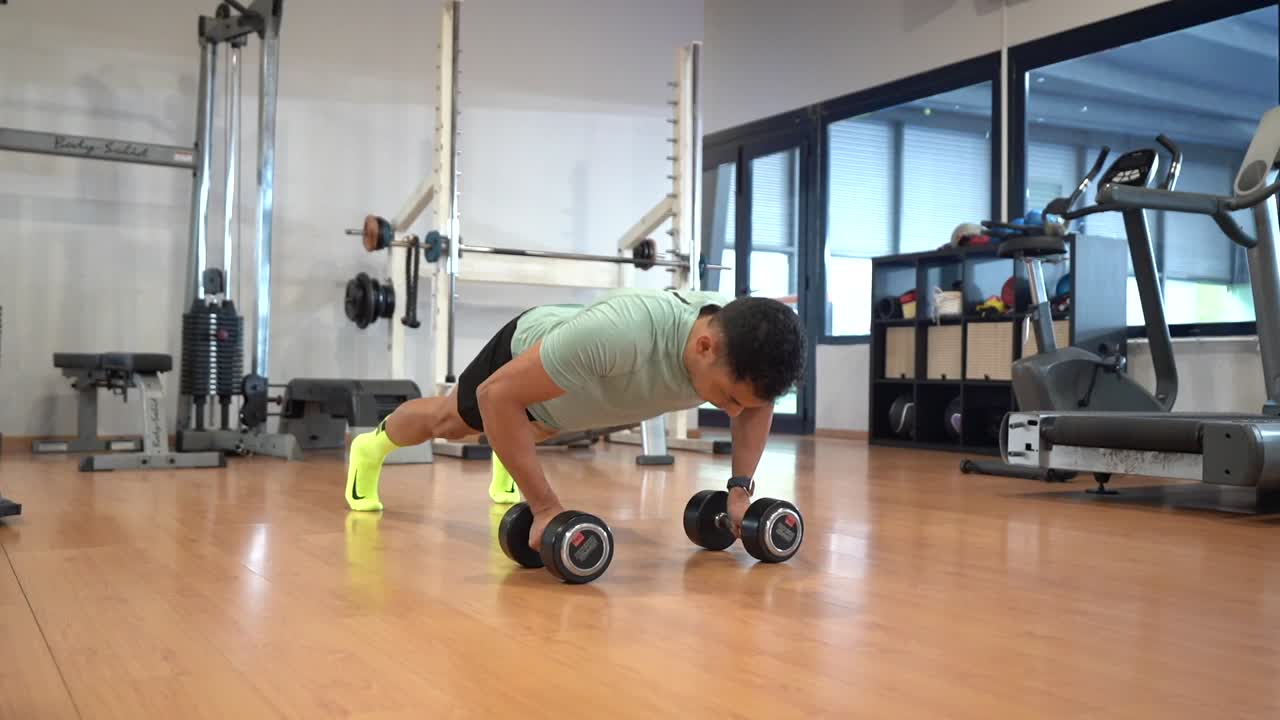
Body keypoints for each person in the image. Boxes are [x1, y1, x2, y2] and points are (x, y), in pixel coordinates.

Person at [344, 287, 806, 551]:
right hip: (528, 353)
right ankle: (371, 447)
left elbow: (755, 404)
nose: (733, 412)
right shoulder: (623, 334)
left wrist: (740, 490)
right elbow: (495, 395)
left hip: (587, 394)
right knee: (455, 423)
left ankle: (513, 454)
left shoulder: (740, 345)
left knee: (540, 426)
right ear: (704, 347)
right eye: (728, 398)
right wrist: (545, 508)